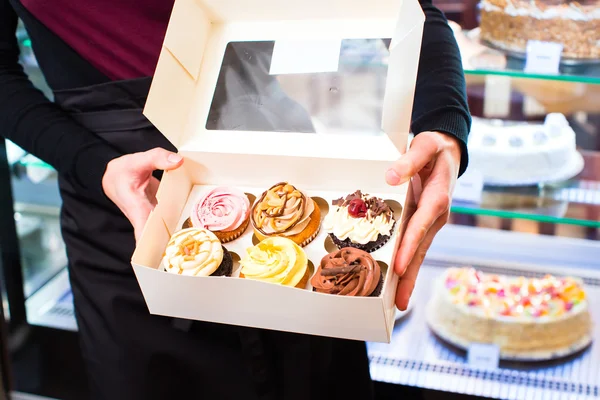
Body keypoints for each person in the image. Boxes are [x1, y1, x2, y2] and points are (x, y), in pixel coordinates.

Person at [0, 0, 470, 399]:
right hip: (121, 211)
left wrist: (444, 124)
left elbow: (409, 11)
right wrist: (91, 162)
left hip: (287, 164)